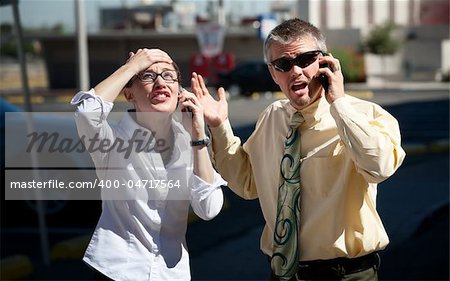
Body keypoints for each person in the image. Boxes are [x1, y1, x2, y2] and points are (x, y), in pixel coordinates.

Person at [192, 18, 406, 280]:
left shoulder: (366, 115)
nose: (295, 71)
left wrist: (339, 105)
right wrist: (218, 126)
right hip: (282, 273)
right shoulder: (272, 117)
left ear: (325, 62)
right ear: (273, 73)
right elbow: (247, 183)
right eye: (283, 64)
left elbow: (380, 167)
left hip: (345, 274)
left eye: (305, 59)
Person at [70, 48, 226, 281]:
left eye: (168, 75)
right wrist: (131, 67)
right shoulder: (112, 141)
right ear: (129, 94)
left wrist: (198, 135)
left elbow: (209, 209)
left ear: (179, 92)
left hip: (172, 274)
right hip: (116, 272)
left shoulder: (191, 141)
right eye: (148, 76)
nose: (160, 82)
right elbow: (86, 113)